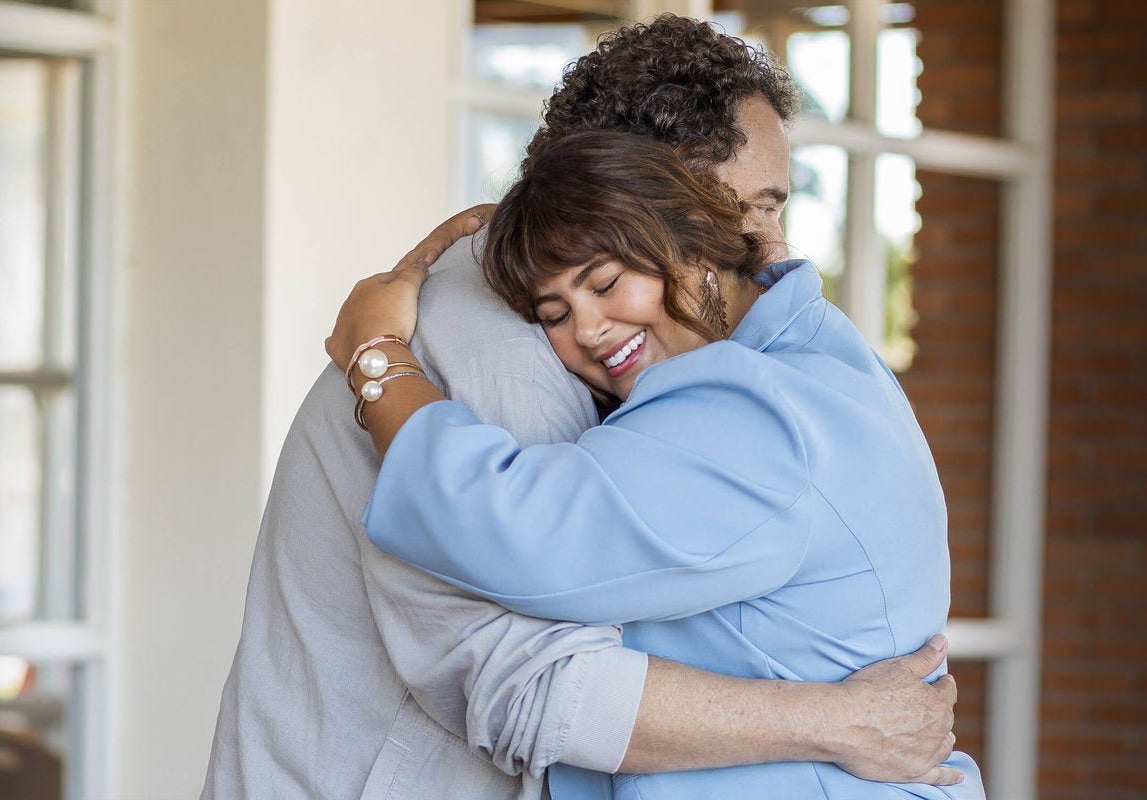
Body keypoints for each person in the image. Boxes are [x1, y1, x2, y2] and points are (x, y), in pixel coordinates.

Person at [202, 14, 961, 800]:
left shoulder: (751, 380)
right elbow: (529, 676)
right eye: (743, 212)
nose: (765, 249)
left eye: (773, 209)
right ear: (643, 197)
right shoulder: (499, 333)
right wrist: (836, 722)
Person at [327, 129, 984, 799]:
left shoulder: (755, 415)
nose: (586, 328)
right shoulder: (814, 354)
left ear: (693, 244)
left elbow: (513, 527)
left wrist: (377, 357)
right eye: (553, 312)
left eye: (607, 282)